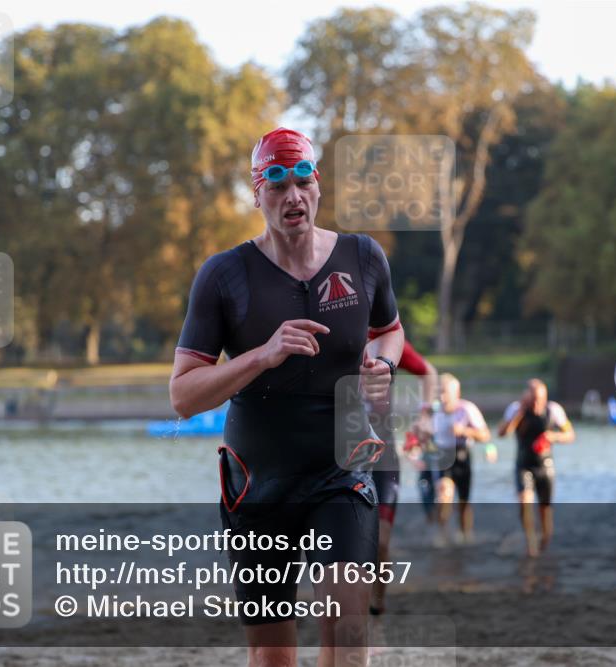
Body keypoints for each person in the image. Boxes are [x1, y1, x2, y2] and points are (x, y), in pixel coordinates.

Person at [169, 127, 404, 667]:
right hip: (259, 481)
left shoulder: (363, 256)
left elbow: (391, 329)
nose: (292, 196)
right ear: (257, 194)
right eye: (277, 185)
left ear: (318, 186)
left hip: (342, 468)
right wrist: (261, 355)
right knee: (274, 656)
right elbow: (182, 396)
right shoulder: (224, 275)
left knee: (348, 642)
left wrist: (383, 364)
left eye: (303, 182)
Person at [367, 338, 438, 615]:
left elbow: (428, 371)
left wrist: (426, 416)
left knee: (381, 543)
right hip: (343, 459)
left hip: (384, 457)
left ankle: (377, 603)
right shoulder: (331, 331)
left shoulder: (387, 341)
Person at [413, 373, 493, 545]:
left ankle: (465, 535)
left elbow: (485, 435)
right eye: (439, 393)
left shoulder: (467, 409)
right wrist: (419, 440)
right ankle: (442, 534)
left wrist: (465, 431)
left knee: (463, 503)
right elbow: (421, 434)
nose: (442, 397)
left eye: (445, 393)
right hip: (442, 456)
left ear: (456, 393)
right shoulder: (433, 410)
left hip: (462, 456)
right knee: (444, 492)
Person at [498, 379, 575, 557]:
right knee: (525, 501)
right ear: (527, 397)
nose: (537, 404)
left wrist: (553, 436)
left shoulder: (554, 410)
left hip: (545, 466)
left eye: (540, 399)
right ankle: (530, 543)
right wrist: (519, 414)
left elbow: (570, 435)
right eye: (533, 400)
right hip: (523, 464)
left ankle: (544, 540)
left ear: (545, 397)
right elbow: (502, 433)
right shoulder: (516, 409)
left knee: (545, 511)